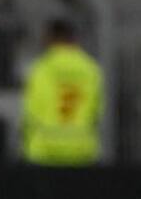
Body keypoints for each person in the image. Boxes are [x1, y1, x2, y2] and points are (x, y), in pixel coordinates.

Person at [21, 18, 103, 166]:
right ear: (73, 38)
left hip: (44, 151)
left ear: (50, 38)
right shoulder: (91, 69)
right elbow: (97, 111)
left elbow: (31, 111)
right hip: (82, 149)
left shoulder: (40, 68)